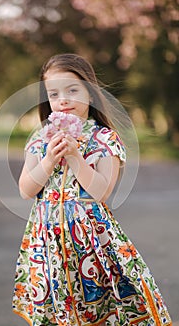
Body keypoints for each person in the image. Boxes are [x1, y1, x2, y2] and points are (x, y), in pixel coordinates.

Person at [12, 53, 172, 326]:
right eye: (53, 93)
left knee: (101, 307)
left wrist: (75, 157)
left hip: (92, 241)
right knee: (59, 308)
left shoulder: (104, 138)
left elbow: (101, 192)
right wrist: (49, 160)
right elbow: (26, 190)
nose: (63, 99)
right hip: (47, 240)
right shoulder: (40, 138)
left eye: (72, 90)